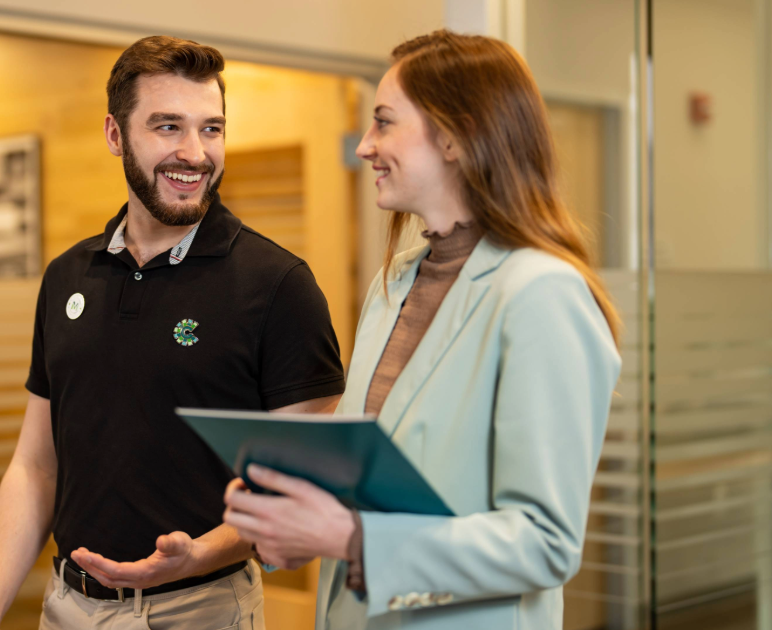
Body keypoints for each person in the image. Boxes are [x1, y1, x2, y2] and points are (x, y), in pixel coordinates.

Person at [222, 30, 622, 630]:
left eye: (384, 122)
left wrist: (355, 539)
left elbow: (545, 543)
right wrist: (292, 524)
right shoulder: (395, 285)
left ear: (456, 136)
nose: (364, 146)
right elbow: (377, 484)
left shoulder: (541, 294)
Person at [0, 35, 345, 630]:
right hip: (65, 608)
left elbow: (296, 488)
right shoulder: (68, 274)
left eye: (212, 129)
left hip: (201, 609)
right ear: (116, 135)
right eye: (168, 127)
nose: (194, 153)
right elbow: (36, 465)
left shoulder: (279, 286)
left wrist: (199, 553)